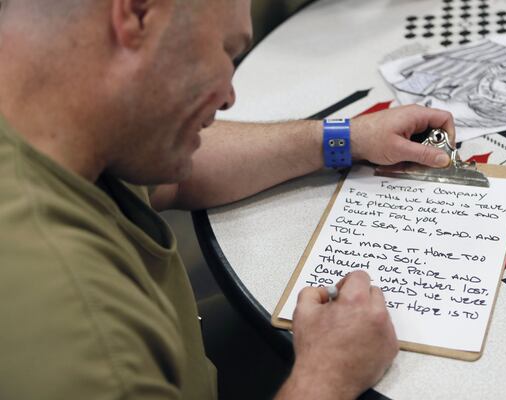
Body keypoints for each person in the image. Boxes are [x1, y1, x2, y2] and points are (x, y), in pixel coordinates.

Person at [0, 0, 455, 399]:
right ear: (137, 13)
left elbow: (179, 175)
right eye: (226, 51)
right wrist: (327, 377)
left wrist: (344, 138)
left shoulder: (58, 119)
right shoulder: (85, 340)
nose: (230, 96)